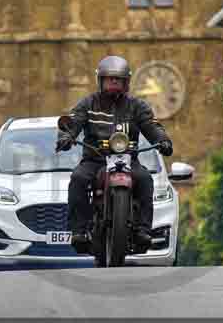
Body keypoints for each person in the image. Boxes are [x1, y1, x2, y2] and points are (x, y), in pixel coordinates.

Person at [55, 55, 173, 249]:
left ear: (126, 83)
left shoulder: (137, 106)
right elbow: (73, 122)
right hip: (95, 160)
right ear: (100, 80)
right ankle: (78, 231)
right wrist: (66, 137)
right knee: (77, 178)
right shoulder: (88, 104)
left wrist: (163, 140)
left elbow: (152, 126)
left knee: (145, 179)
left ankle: (143, 230)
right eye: (110, 78)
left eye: (118, 79)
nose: (114, 82)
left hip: (128, 160)